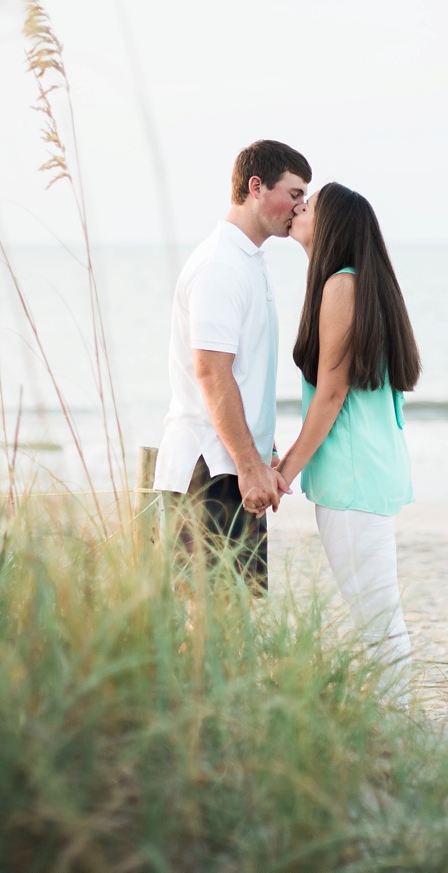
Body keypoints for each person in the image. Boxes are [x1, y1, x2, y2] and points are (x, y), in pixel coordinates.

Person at [278, 182, 418, 693]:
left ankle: (395, 732)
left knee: (378, 621)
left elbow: (331, 395)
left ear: (330, 224)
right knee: (377, 615)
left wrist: (283, 472)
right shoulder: (359, 284)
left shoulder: (342, 285)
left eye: (308, 205)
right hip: (369, 473)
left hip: (355, 478)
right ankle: (392, 724)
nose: (298, 207)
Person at [153, 140, 311, 591]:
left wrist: (265, 448)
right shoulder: (220, 264)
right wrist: (248, 466)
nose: (300, 207)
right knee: (210, 619)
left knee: (238, 615)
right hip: (211, 469)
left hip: (236, 465)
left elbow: (245, 373)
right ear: (255, 187)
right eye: (295, 193)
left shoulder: (250, 260)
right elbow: (211, 372)